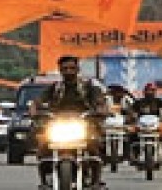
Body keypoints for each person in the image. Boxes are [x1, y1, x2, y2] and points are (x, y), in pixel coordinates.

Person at [31, 56, 108, 190]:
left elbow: (100, 102)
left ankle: (96, 181)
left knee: (95, 145)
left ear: (78, 69)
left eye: (72, 68)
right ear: (60, 70)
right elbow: (37, 101)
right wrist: (34, 111)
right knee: (42, 145)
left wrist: (101, 110)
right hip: (57, 124)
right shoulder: (55, 88)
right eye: (65, 68)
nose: (68, 71)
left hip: (84, 124)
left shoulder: (89, 87)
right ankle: (44, 182)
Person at [126, 82, 162, 164]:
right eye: (148, 90)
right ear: (144, 92)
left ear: (155, 92)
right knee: (131, 135)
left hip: (156, 126)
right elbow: (131, 111)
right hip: (141, 126)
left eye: (151, 90)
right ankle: (132, 156)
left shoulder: (159, 101)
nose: (149, 92)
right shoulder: (138, 102)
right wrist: (130, 117)